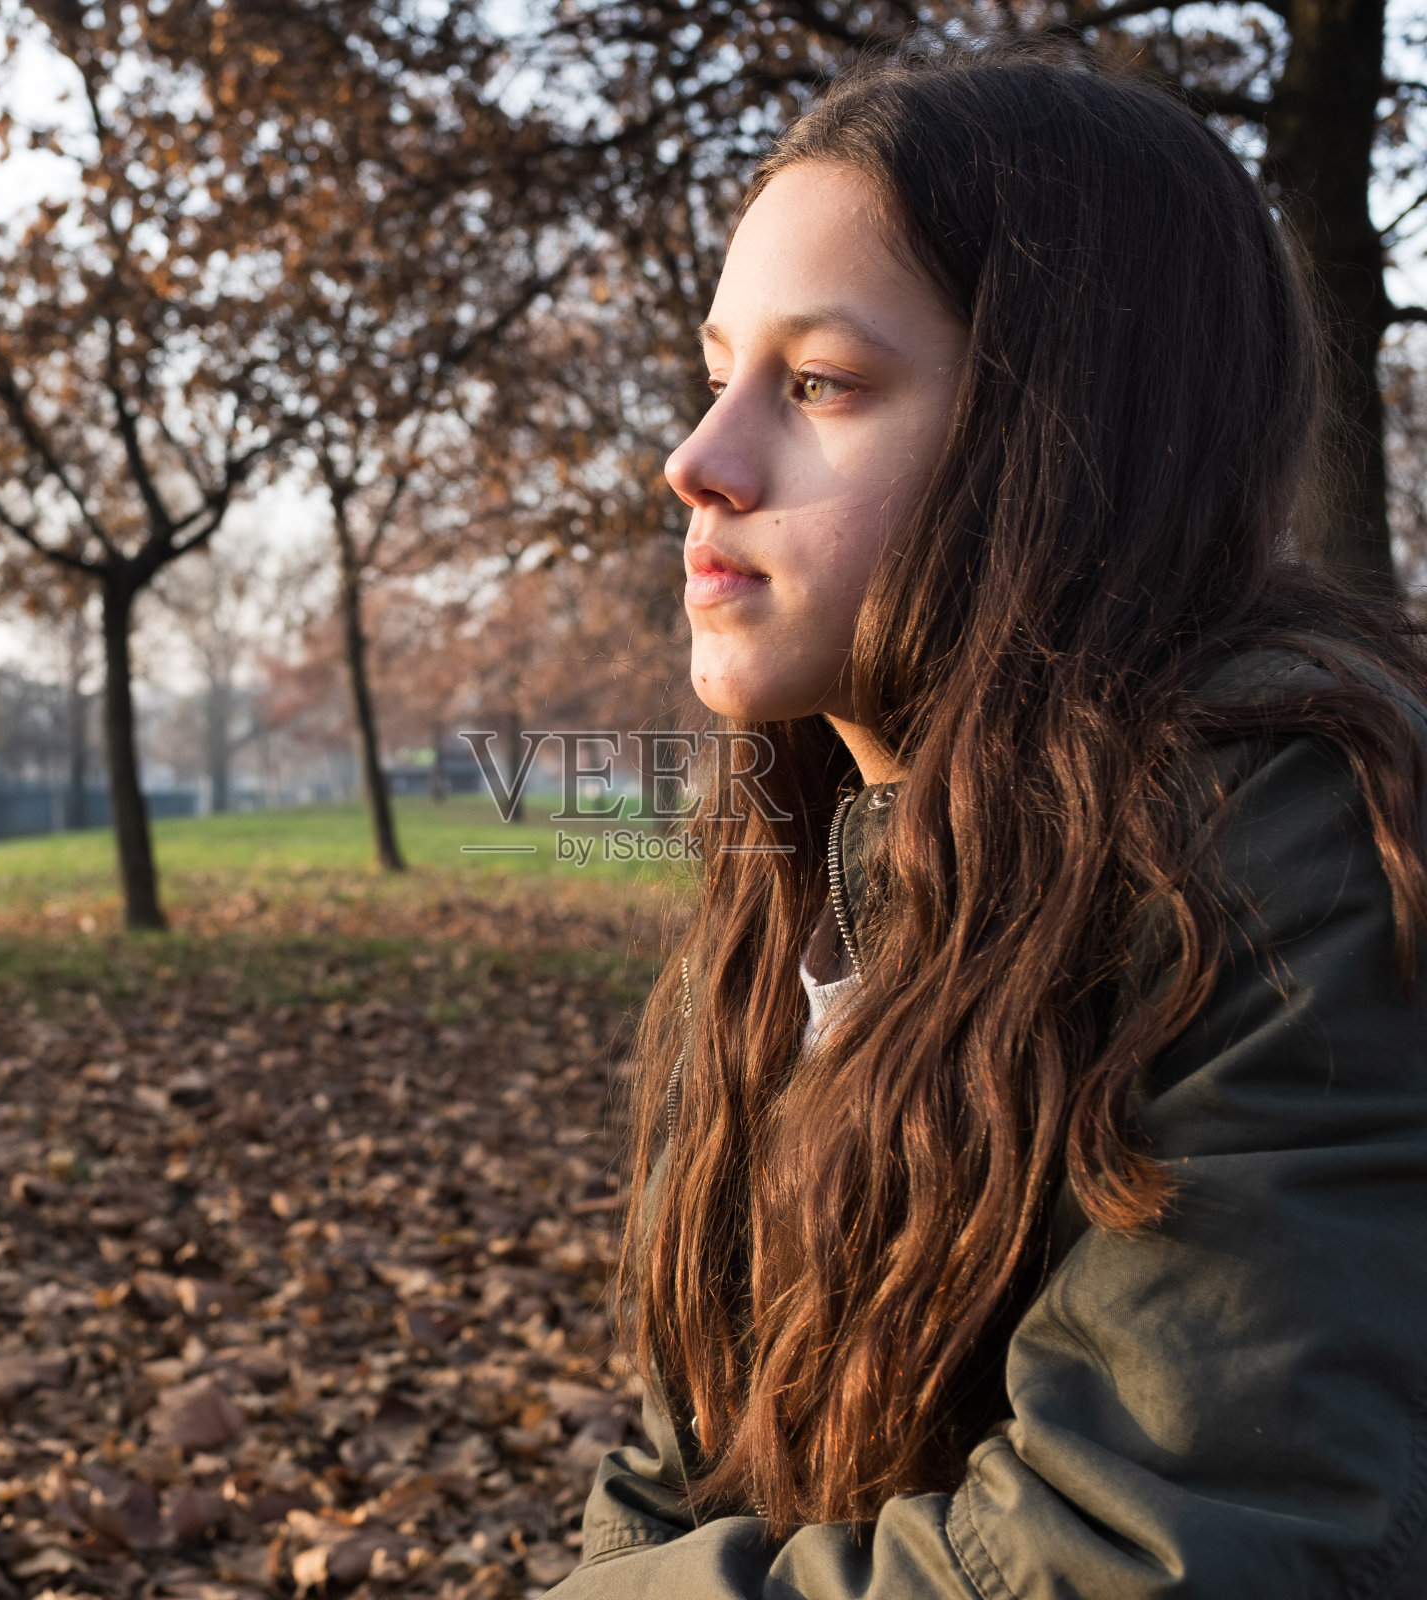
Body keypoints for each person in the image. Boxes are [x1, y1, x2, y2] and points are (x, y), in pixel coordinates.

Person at [544, 44, 1427, 1600]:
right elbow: (683, 1456)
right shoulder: (801, 857)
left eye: (819, 384)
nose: (698, 462)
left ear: (1068, 435)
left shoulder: (1282, 842)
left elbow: (1154, 1550)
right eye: (716, 373)